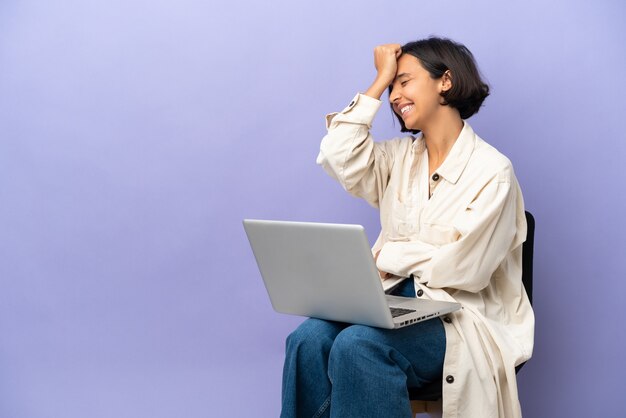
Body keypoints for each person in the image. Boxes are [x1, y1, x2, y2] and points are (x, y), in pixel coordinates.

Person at [281, 37, 534, 418]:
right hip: (390, 302)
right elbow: (337, 155)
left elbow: (466, 268)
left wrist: (389, 255)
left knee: (358, 345)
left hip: (457, 318)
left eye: (404, 81)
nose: (395, 96)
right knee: (306, 340)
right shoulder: (397, 158)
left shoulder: (492, 171)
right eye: (392, 86)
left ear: (444, 81)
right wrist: (379, 82)